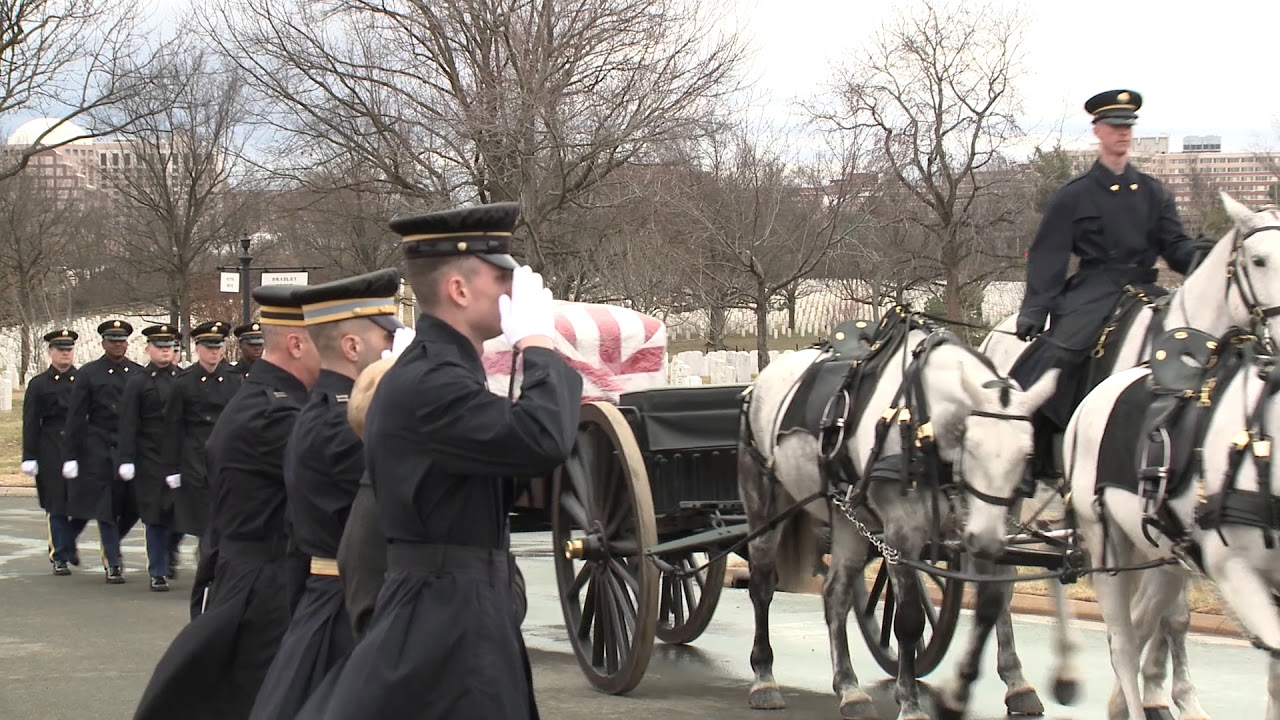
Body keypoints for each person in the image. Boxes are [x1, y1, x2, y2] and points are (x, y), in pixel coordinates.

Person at [302, 201, 583, 720]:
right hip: (444, 621)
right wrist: (538, 344)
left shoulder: (441, 376)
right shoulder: (431, 384)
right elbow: (542, 438)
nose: (510, 294)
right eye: (501, 279)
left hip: (457, 608)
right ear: (458, 290)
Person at [133, 286, 320, 720]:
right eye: (323, 341)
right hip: (265, 583)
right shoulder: (274, 410)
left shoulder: (261, 395)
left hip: (260, 572)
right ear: (296, 343)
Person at [1010, 89, 1210, 477]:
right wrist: (1036, 307)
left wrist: (1205, 257)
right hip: (1094, 290)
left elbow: (1175, 248)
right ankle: (1031, 461)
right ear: (1098, 130)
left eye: (1128, 127)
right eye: (1116, 126)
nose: (1123, 133)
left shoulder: (1153, 192)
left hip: (1147, 289)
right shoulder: (1075, 195)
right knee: (1056, 358)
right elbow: (1049, 255)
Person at [248, 268, 400, 720]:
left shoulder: (323, 413)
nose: (394, 351)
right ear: (354, 347)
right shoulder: (342, 426)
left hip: (333, 598)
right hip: (347, 608)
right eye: (386, 341)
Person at [161, 320, 239, 615]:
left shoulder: (232, 379)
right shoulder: (184, 382)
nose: (214, 353)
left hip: (226, 457)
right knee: (205, 520)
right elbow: (172, 427)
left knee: (222, 518)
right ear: (198, 349)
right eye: (209, 347)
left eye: (218, 347)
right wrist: (171, 467)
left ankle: (215, 567)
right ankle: (207, 571)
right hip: (194, 456)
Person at [61, 320, 144, 583]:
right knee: (106, 507)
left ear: (127, 343)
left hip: (130, 446)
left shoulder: (137, 373)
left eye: (121, 340)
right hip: (97, 446)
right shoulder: (89, 373)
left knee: (134, 506)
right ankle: (113, 562)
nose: (117, 344)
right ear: (103, 343)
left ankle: (68, 540)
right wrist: (70, 455)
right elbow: (75, 417)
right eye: (112, 340)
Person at [117, 325, 183, 592]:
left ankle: (169, 554)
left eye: (169, 347)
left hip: (178, 457)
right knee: (155, 517)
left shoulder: (183, 378)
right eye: (160, 347)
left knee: (180, 515)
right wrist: (126, 458)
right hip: (149, 458)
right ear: (148, 349)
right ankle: (157, 570)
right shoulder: (138, 381)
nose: (165, 351)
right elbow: (128, 423)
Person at [21, 328, 86, 575]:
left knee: (84, 503)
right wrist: (29, 456)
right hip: (50, 447)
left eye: (69, 349)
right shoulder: (39, 385)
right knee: (56, 504)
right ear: (50, 352)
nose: (65, 354)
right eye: (60, 350)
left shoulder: (83, 379)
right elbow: (31, 422)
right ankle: (59, 554)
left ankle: (67, 541)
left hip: (79, 447)